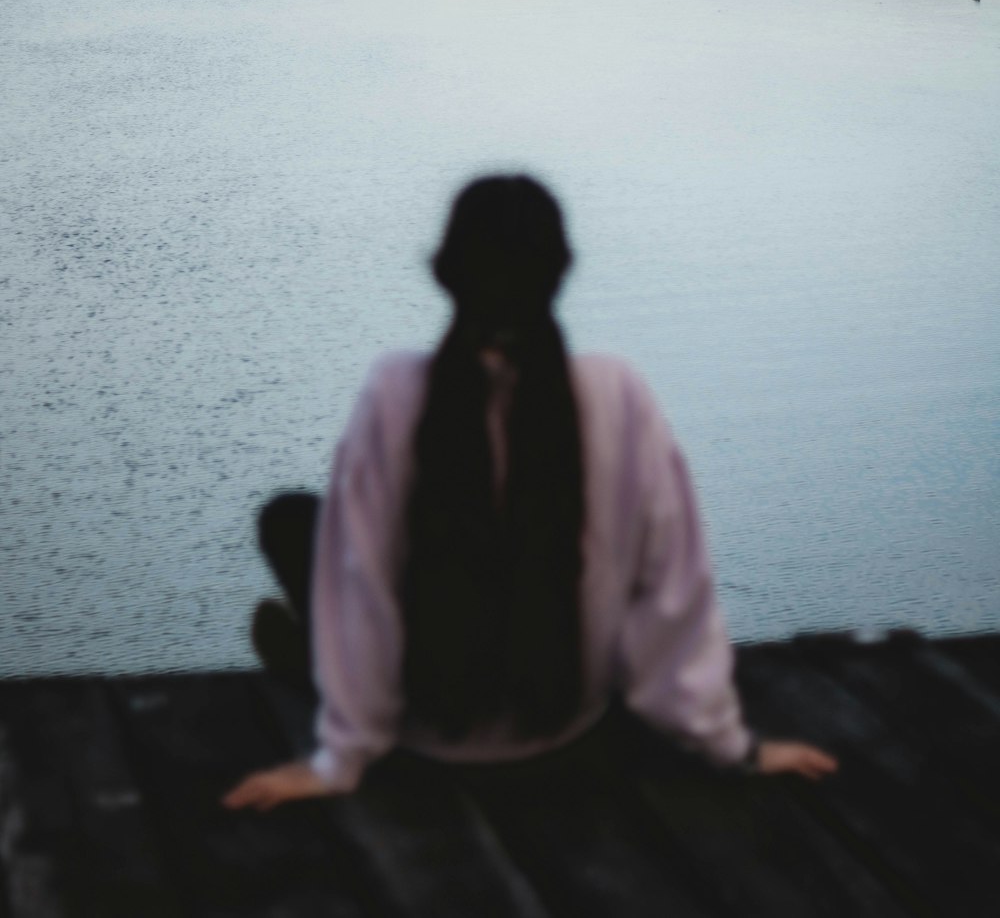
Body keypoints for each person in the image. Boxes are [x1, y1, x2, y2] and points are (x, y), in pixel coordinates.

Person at [224, 175, 835, 813]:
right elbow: (673, 595)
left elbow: (364, 586)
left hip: (427, 725)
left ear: (442, 272)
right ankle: (307, 655)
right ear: (562, 271)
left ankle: (310, 662)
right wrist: (731, 746)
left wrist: (340, 757)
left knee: (296, 524)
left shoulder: (392, 391)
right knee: (312, 528)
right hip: (566, 715)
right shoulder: (617, 393)